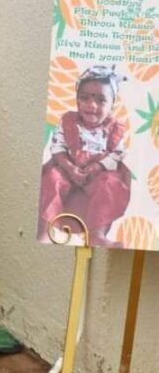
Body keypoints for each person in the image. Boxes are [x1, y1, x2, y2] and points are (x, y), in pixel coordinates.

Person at [38, 65, 131, 247]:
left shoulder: (114, 129)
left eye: (101, 100)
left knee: (110, 185)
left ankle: (97, 234)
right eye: (84, 98)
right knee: (51, 178)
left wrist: (98, 166)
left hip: (99, 173)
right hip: (67, 167)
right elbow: (57, 148)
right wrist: (69, 168)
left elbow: (117, 154)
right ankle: (45, 229)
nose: (91, 105)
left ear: (112, 106)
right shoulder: (68, 121)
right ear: (77, 100)